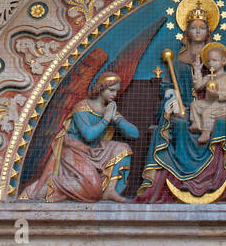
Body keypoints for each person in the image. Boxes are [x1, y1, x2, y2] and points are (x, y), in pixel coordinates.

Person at [134, 0, 226, 203]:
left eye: (202, 27)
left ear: (208, 31)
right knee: (180, 124)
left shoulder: (213, 58)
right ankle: (179, 180)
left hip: (213, 107)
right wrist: (172, 103)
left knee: (220, 125)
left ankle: (216, 182)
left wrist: (225, 97)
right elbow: (167, 88)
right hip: (185, 109)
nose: (197, 31)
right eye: (193, 27)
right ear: (186, 32)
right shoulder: (177, 61)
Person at [19, 72, 140, 202]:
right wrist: (106, 119)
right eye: (111, 90)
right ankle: (54, 184)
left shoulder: (108, 110)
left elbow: (134, 134)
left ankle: (110, 190)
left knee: (122, 148)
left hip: (95, 150)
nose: (115, 94)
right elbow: (88, 135)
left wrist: (115, 118)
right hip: (75, 151)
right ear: (101, 88)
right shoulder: (82, 107)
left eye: (116, 91)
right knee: (93, 192)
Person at [190, 44, 226, 143]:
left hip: (220, 104)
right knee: (195, 104)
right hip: (208, 102)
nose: (211, 63)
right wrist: (197, 70)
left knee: (207, 111)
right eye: (209, 61)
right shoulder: (208, 77)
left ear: (223, 61)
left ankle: (206, 133)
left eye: (214, 60)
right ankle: (196, 124)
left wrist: (217, 94)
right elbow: (197, 87)